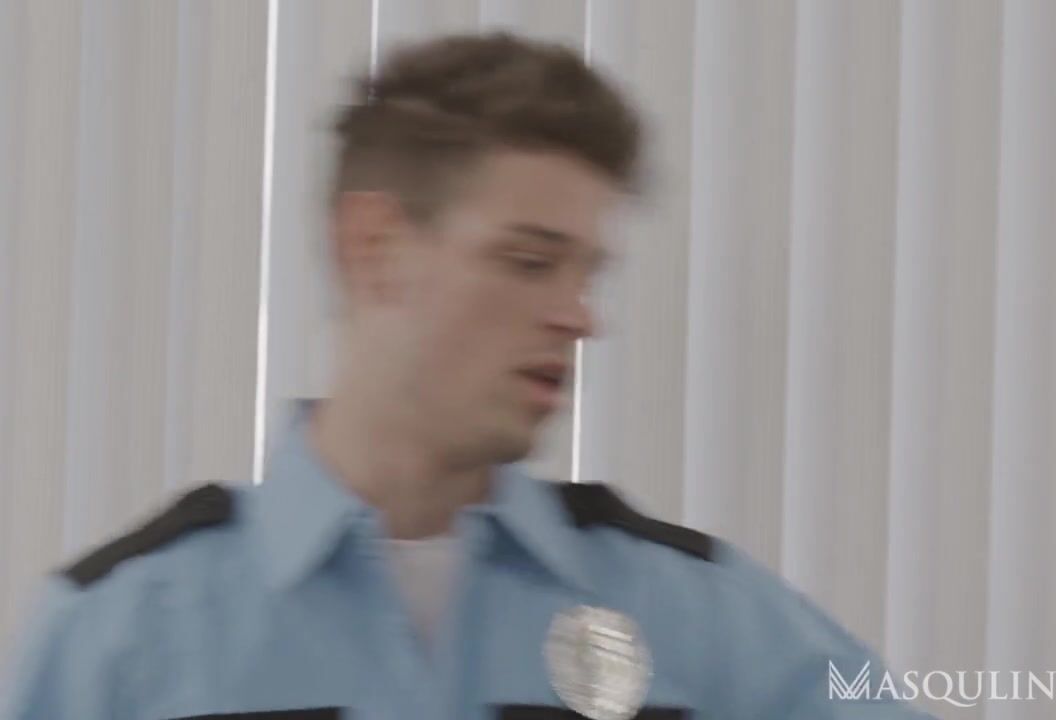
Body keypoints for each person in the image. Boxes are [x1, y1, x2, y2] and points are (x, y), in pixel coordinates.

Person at [3, 32, 934, 720]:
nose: (581, 316)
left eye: (588, 272)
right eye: (530, 262)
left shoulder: (699, 620)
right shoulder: (123, 639)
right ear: (375, 250)